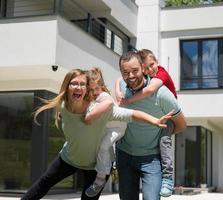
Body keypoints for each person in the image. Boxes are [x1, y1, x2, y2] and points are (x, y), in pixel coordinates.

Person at [21, 68, 172, 200]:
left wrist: (154, 120)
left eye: (82, 84)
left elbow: (132, 114)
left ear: (87, 89)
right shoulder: (63, 106)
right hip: (69, 158)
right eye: (74, 83)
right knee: (42, 184)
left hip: (95, 167)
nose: (78, 87)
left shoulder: (100, 110)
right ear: (67, 87)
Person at [116, 51, 187, 200]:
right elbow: (118, 83)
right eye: (126, 72)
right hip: (124, 155)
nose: (131, 76)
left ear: (143, 67)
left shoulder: (162, 94)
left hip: (151, 159)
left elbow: (181, 124)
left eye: (135, 71)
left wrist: (162, 135)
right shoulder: (122, 87)